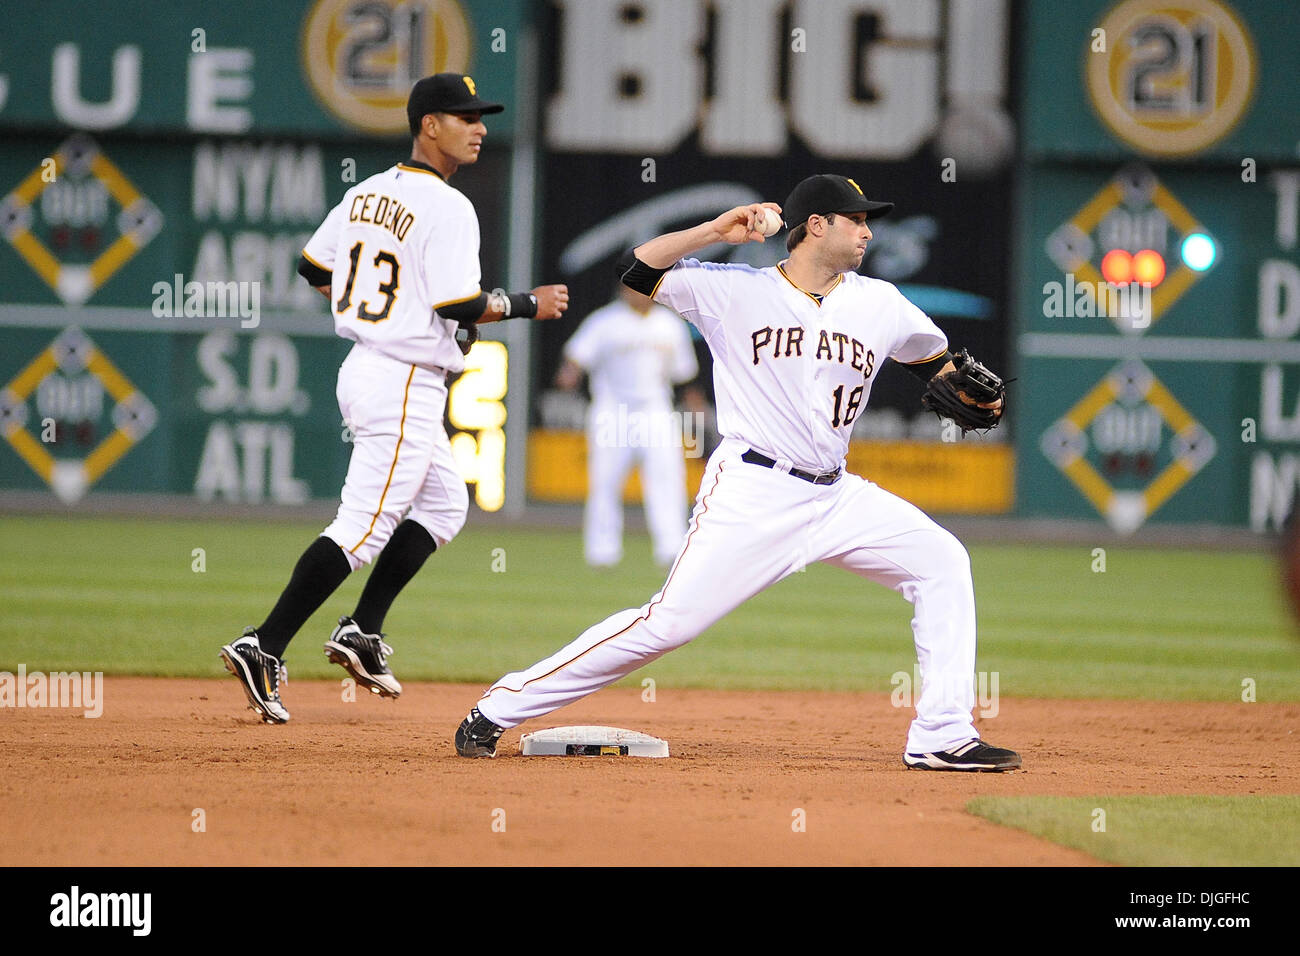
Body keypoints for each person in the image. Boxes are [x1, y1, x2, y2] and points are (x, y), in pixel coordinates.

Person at [455, 174, 1019, 772]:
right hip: (754, 488)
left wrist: (975, 397)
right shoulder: (734, 291)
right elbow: (636, 271)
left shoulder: (880, 302)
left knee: (943, 562)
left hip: (837, 494)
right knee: (667, 625)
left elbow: (938, 368)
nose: (868, 231)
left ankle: (941, 733)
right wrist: (715, 229)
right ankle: (501, 705)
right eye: (856, 219)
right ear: (818, 225)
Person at [220, 72, 568, 724]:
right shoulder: (448, 205)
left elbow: (311, 266)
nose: (480, 127)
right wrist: (528, 304)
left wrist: (381, 313)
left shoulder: (365, 191)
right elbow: (458, 304)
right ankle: (262, 644)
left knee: (442, 504)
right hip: (404, 377)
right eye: (465, 116)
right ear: (428, 125)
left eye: (481, 116)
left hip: (370, 365)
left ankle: (361, 630)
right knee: (361, 529)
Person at [555, 284, 701, 567]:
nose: (636, 292)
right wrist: (569, 373)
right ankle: (602, 551)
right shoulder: (605, 321)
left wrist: (695, 404)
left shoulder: (669, 325)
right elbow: (576, 355)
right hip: (613, 410)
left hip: (655, 409)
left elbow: (684, 374)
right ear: (622, 290)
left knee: (667, 478)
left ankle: (670, 547)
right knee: (605, 481)